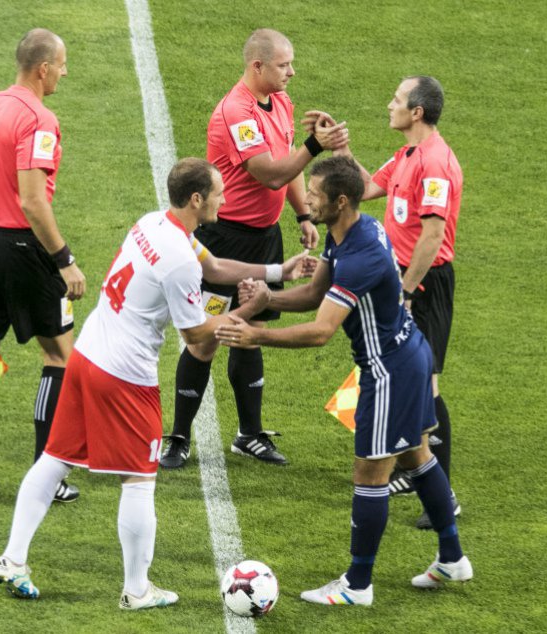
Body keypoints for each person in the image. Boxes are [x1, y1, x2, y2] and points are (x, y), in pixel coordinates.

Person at [0, 158, 312, 609]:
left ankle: (13, 558)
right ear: (197, 199)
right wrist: (251, 309)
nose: (225, 199)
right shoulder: (179, 261)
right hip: (124, 376)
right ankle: (137, 589)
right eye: (219, 192)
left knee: (55, 458)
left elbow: (216, 267)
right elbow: (197, 335)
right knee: (140, 480)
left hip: (88, 354)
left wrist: (278, 272)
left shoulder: (155, 224)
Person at [216, 156, 472, 605]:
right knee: (417, 454)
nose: (307, 199)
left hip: (388, 370)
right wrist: (269, 298)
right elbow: (316, 293)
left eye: (314, 194)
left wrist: (256, 335)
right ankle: (452, 558)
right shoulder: (354, 232)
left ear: (339, 201)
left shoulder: (360, 255)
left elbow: (321, 330)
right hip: (408, 354)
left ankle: (357, 585)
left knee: (369, 473)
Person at [160, 28, 348, 469]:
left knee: (249, 334)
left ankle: (248, 434)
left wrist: (302, 215)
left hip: (264, 238)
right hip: (224, 237)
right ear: (257, 65)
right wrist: (316, 146)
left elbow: (288, 165)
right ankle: (179, 437)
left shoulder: (280, 101)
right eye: (284, 65)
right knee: (206, 339)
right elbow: (270, 173)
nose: (292, 72)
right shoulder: (236, 113)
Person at [306, 75, 464, 528]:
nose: (389, 105)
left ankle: (443, 496)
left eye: (397, 100)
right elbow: (365, 188)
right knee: (394, 372)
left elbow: (432, 236)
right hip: (403, 278)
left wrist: (406, 291)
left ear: (417, 112)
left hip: (424, 283)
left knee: (425, 382)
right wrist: (340, 148)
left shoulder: (435, 163)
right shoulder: (408, 154)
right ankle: (405, 467)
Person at [0, 29, 86, 503]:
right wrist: (64, 261)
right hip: (23, 248)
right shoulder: (39, 120)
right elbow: (31, 200)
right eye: (62, 64)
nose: (65, 71)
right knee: (60, 356)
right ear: (43, 68)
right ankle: (46, 480)